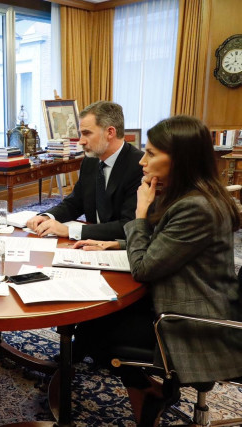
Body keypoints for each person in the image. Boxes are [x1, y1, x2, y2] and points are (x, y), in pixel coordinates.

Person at [72, 115, 242, 425]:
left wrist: (139, 213)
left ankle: (149, 390)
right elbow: (166, 245)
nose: (142, 162)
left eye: (151, 154)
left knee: (94, 329)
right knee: (93, 322)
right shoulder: (193, 197)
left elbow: (144, 268)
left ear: (180, 160)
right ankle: (147, 391)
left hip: (194, 323)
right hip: (196, 300)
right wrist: (119, 244)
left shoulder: (196, 207)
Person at [27, 101, 143, 241]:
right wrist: (47, 216)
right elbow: (75, 202)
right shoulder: (90, 160)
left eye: (87, 134)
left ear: (110, 132)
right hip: (90, 243)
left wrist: (69, 230)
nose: (81, 141)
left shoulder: (139, 165)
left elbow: (128, 225)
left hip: (120, 248)